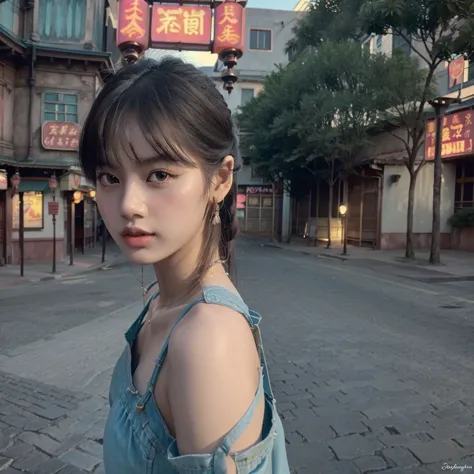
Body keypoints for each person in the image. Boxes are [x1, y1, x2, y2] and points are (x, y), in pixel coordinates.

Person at [79, 57, 290, 474]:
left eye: (158, 175)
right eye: (109, 177)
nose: (128, 205)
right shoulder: (165, 301)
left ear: (220, 180)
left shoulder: (207, 339)